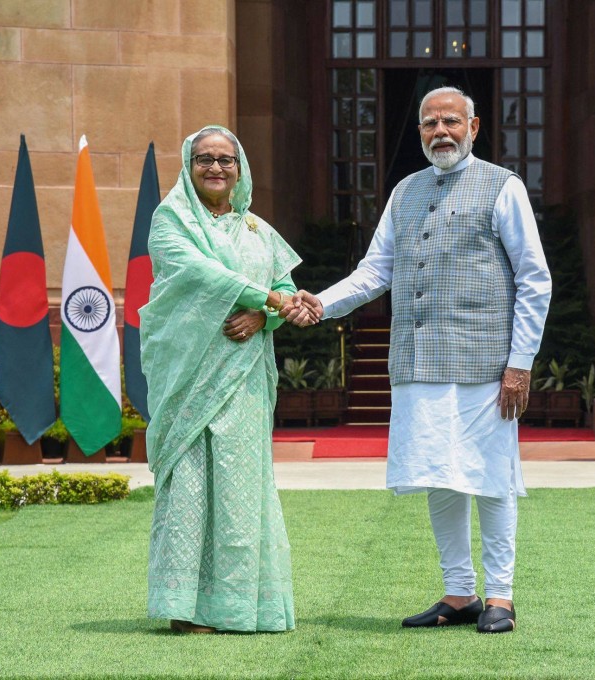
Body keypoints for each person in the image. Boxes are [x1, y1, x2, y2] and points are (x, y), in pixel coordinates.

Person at [287, 86, 551, 634]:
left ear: (473, 127)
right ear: (421, 133)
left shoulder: (503, 186)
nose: (440, 132)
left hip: (486, 364)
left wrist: (520, 362)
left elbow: (534, 278)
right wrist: (321, 303)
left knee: (491, 477)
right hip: (417, 363)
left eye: (451, 121)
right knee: (438, 474)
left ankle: (501, 596)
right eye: (430, 123)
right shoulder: (404, 191)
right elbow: (374, 270)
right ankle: (460, 594)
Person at [141, 125, 313, 634]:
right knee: (191, 483)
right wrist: (267, 299)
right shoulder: (171, 220)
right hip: (190, 377)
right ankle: (187, 609)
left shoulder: (258, 230)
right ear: (188, 166)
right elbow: (199, 273)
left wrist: (266, 316)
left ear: (240, 169)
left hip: (244, 377)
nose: (215, 167)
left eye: (226, 159)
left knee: (240, 485)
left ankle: (242, 606)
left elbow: (284, 286)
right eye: (204, 159)